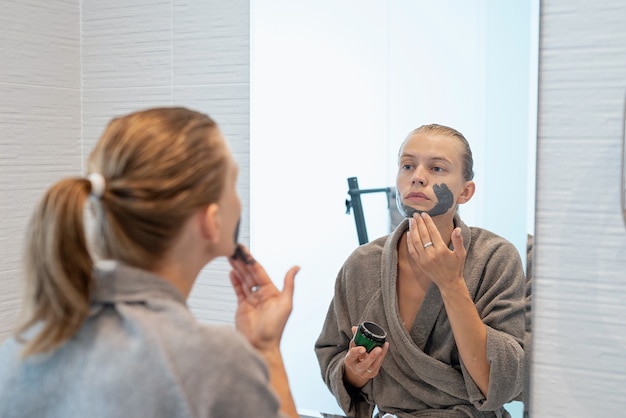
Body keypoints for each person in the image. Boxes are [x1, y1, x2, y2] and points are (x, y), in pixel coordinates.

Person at [0, 107, 300, 418]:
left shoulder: (26, 345)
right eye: (233, 183)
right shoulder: (212, 363)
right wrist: (266, 351)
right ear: (211, 221)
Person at [315, 124, 528, 418]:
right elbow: (333, 354)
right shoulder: (362, 264)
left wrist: (451, 285)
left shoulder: (495, 258)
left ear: (465, 192)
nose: (417, 177)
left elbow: (501, 381)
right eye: (407, 165)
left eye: (437, 168)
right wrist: (354, 370)